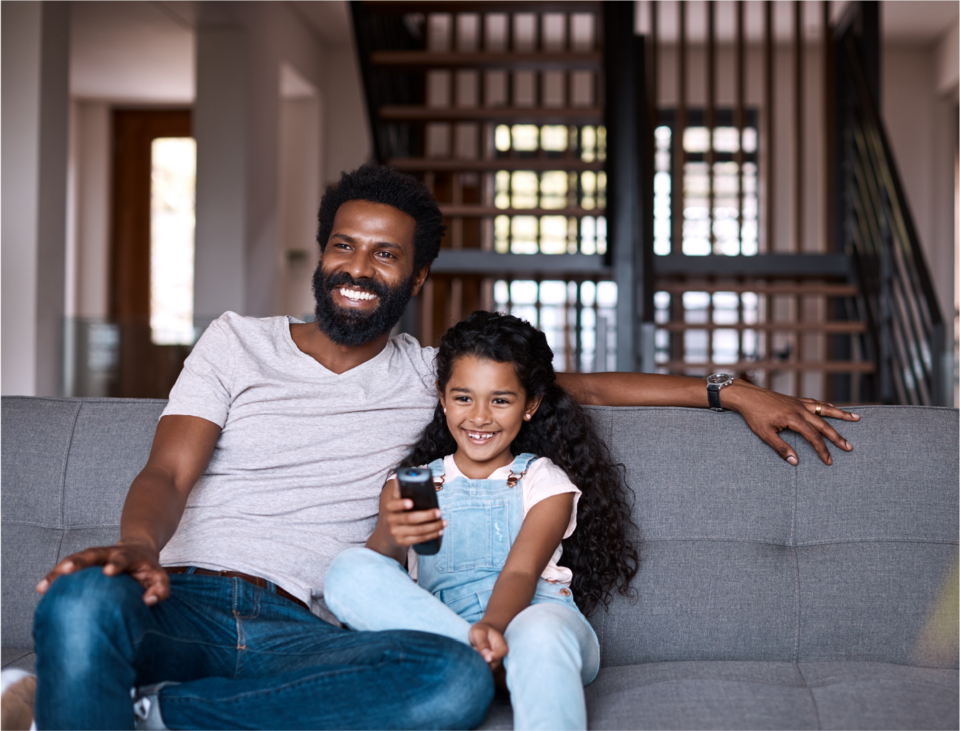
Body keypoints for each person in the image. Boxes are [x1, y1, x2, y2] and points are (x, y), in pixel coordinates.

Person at [13, 164, 857, 731]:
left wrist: (729, 388)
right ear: (323, 253)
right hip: (184, 594)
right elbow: (167, 468)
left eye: (385, 254)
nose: (357, 265)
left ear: (416, 279)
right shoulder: (237, 342)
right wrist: (136, 547)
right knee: (81, 600)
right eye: (344, 244)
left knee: (451, 682)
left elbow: (578, 386)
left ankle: (146, 710)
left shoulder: (435, 378)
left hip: (309, 626)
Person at [324, 311, 639, 731]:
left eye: (500, 400)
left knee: (540, 630)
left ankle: (476, 658)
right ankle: (474, 659)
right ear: (442, 398)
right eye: (463, 397)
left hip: (536, 621)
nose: (479, 417)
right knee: (348, 569)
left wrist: (491, 628)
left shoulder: (543, 480)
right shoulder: (410, 485)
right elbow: (380, 572)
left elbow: (521, 572)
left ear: (530, 405)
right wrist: (389, 531)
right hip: (446, 631)